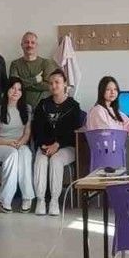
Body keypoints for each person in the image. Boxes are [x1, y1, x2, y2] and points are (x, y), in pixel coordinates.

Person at [31, 70, 83, 216]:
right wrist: (42, 145)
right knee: (40, 160)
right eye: (51, 83)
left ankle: (54, 201)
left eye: (57, 82)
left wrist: (58, 144)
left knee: (56, 160)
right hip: (45, 146)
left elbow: (74, 131)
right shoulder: (43, 105)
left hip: (66, 147)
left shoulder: (73, 106)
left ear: (65, 84)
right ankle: (41, 200)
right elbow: (37, 129)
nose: (53, 86)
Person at [0, 78, 35, 213]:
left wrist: (20, 143)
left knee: (26, 153)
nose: (16, 92)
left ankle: (27, 197)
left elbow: (27, 133)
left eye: (19, 89)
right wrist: (9, 143)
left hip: (19, 144)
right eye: (13, 88)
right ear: (7, 90)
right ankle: (5, 199)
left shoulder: (27, 109)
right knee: (12, 153)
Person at [7, 31, 60, 113]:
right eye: (26, 42)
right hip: (20, 109)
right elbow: (14, 86)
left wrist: (23, 83)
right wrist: (35, 80)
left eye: (33, 42)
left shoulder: (46, 63)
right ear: (22, 45)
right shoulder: (15, 64)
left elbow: (49, 86)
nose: (29, 45)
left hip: (43, 109)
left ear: (37, 45)